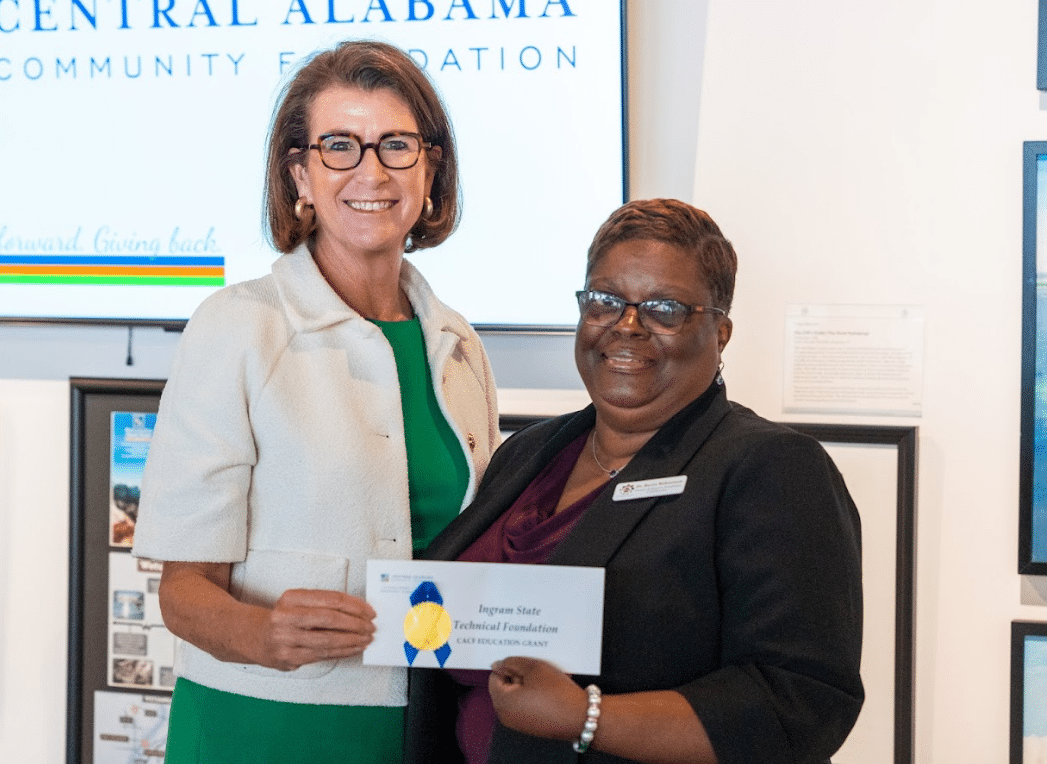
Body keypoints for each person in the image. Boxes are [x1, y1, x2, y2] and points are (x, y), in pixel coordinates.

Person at [132, 40, 500, 764]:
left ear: (430, 170)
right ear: (299, 174)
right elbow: (183, 591)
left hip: (430, 722)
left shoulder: (459, 344)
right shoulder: (237, 327)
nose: (371, 172)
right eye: (339, 146)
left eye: (396, 145)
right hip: (265, 726)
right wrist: (263, 633)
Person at [411, 198, 864, 764]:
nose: (627, 327)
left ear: (720, 332)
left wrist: (587, 718)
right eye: (605, 301)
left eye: (664, 309)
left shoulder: (772, 469)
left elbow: (800, 701)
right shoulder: (529, 452)